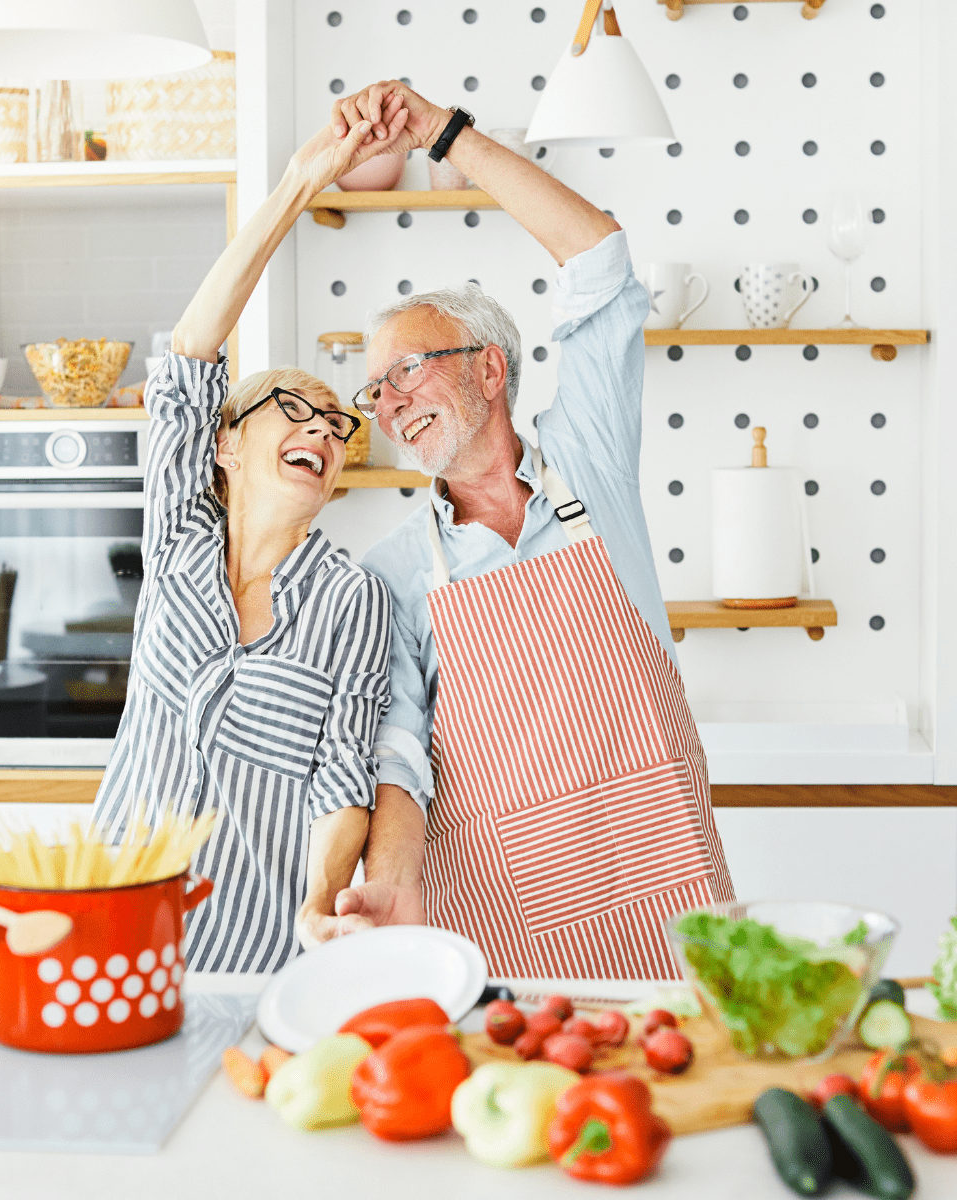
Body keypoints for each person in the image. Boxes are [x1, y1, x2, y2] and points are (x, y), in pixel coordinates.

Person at [300, 82, 735, 979]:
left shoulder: (591, 469)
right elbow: (399, 748)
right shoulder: (391, 573)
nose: (387, 405)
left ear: (489, 368)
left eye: (407, 372)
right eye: (374, 392)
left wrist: (441, 134)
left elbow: (600, 260)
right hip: (512, 917)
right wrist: (390, 879)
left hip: (669, 885)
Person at [92, 110, 411, 973]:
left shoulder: (352, 599)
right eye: (293, 409)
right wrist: (300, 184)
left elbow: (343, 779)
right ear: (227, 444)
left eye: (336, 422)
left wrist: (317, 907)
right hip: (114, 925)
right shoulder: (179, 546)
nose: (323, 427)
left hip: (253, 954)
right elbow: (193, 353)